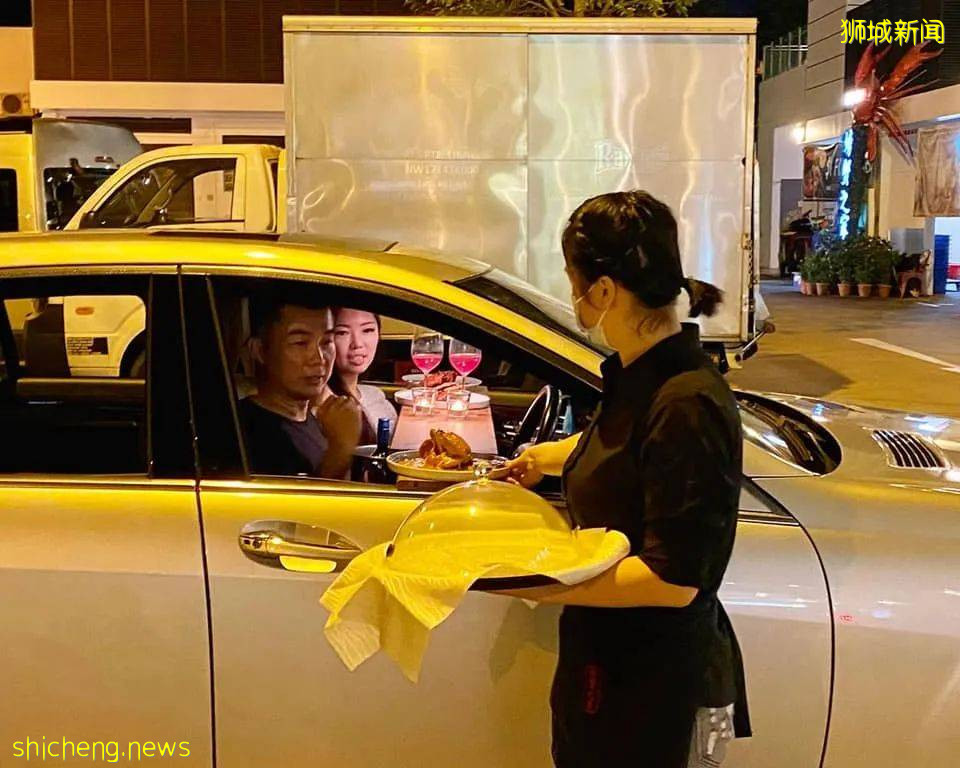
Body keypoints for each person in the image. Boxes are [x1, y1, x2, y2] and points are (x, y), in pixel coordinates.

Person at [501, 191, 749, 768]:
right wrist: (550, 457)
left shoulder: (687, 402)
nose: (575, 299)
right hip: (607, 670)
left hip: (648, 688)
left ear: (605, 290)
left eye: (573, 281)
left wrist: (536, 582)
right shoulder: (643, 377)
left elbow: (674, 578)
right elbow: (628, 447)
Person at [239, 294, 362, 479]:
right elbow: (311, 507)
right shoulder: (249, 435)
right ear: (259, 350)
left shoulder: (316, 418)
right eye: (300, 343)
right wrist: (341, 448)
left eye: (327, 342)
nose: (319, 359)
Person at [327, 308, 397, 444]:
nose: (357, 344)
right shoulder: (330, 408)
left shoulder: (374, 394)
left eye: (367, 330)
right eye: (342, 332)